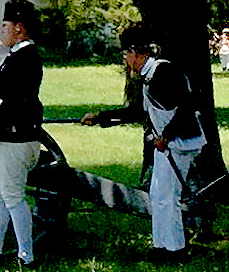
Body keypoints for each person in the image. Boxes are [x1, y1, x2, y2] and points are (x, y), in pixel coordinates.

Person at [81, 24, 207, 259]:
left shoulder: (164, 72)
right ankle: (161, 247)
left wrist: (166, 135)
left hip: (180, 142)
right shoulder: (149, 76)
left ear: (138, 54)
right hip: (167, 143)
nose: (126, 60)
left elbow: (186, 106)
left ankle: (176, 249)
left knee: (168, 196)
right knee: (158, 195)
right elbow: (139, 111)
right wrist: (100, 117)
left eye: (126, 55)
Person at [0, 0, 46, 265]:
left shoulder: (25, 58)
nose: (2, 30)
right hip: (1, 137)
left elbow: (9, 101)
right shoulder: (15, 57)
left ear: (18, 27)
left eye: (5, 25)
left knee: (14, 197)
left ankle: (26, 255)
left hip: (14, 138)